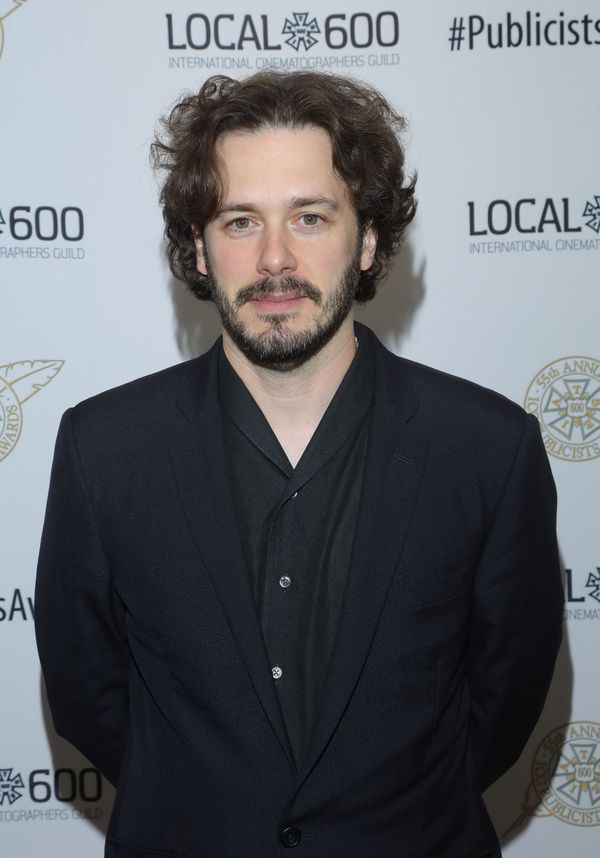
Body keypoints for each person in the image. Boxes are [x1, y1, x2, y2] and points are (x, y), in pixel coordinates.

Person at [35, 70, 563, 858]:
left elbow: (505, 698)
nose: (274, 259)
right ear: (199, 251)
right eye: (240, 221)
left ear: (371, 238)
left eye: (310, 217)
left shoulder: (488, 448)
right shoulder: (104, 449)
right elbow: (89, 699)